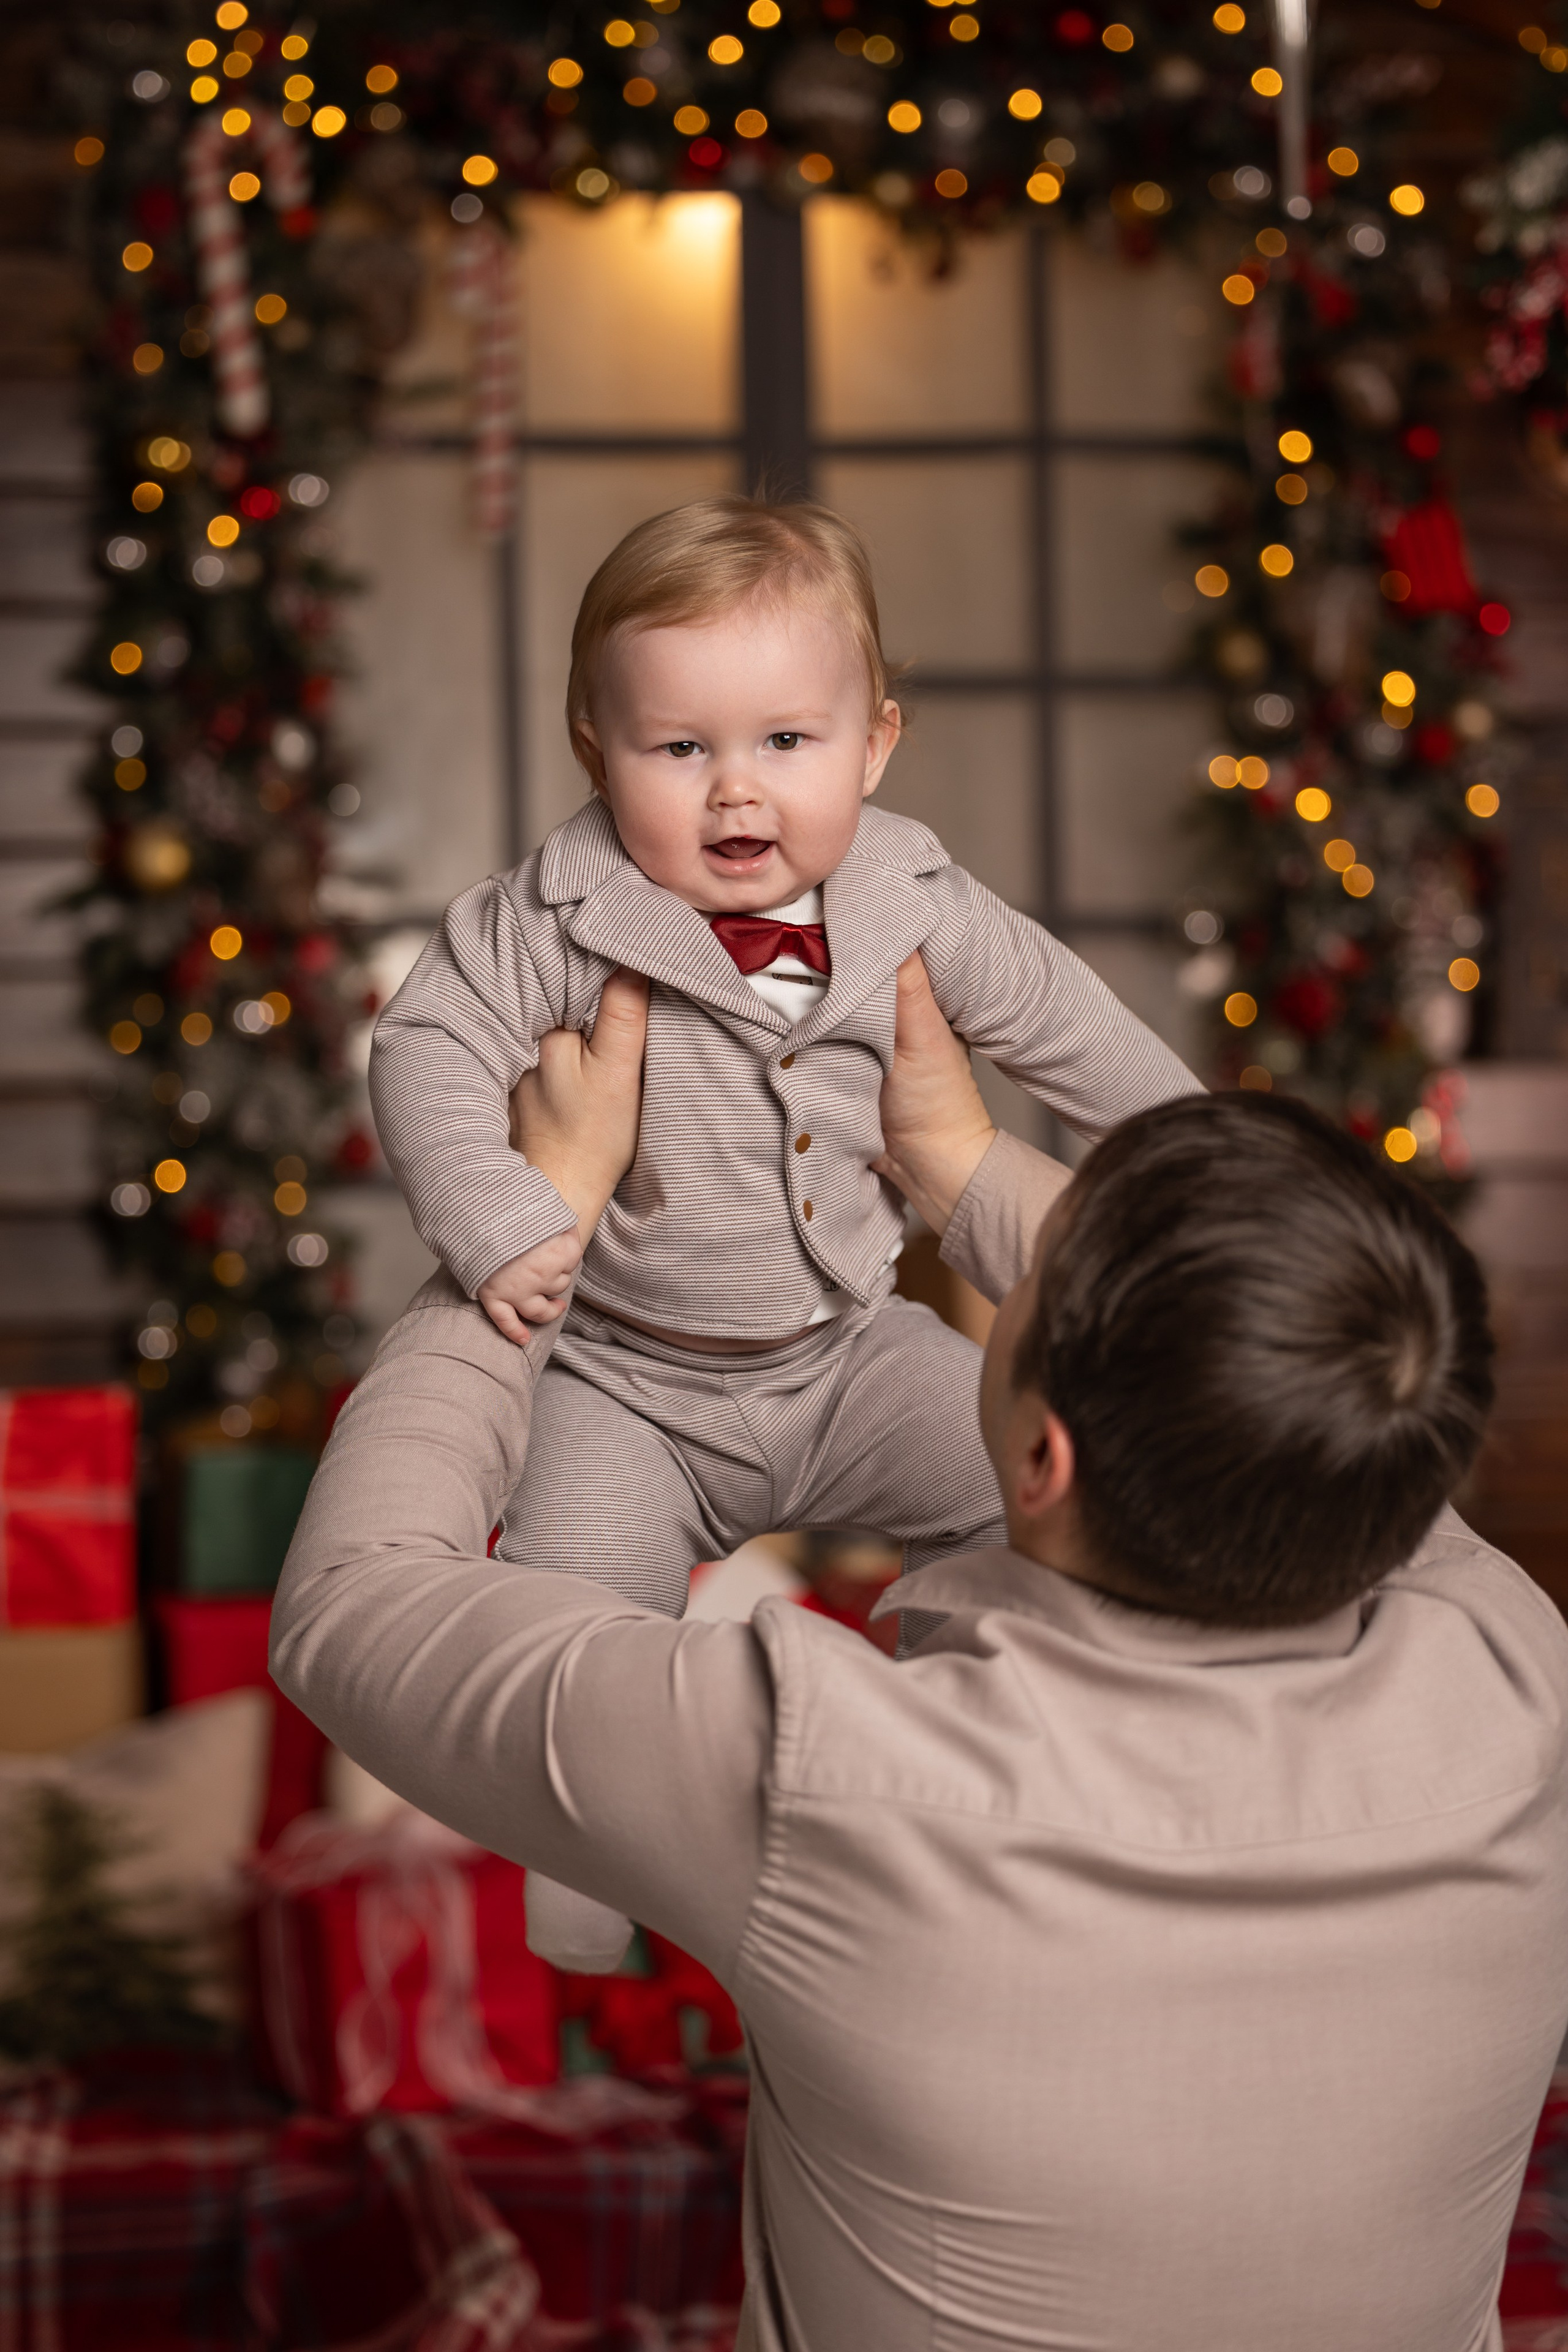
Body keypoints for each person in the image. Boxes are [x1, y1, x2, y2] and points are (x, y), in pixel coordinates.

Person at [273, 957, 1568, 2352]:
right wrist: (958, 1168)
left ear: (1036, 1455)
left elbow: (352, 1598)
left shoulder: (821, 1776)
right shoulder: (1513, 1667)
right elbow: (1330, 1391)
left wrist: (527, 1221)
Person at [368, 494, 1199, 1970]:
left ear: (875, 743)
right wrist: (501, 1210)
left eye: (785, 744)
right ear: (593, 749)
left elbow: (1085, 1041)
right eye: (678, 749)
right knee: (569, 1639)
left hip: (852, 1346)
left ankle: (964, 1786)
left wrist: (1193, 1174)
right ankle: (586, 1948)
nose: (734, 793)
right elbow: (422, 1048)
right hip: (629, 1377)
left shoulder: (915, 901)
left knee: (1034, 1501)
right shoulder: (547, 918)